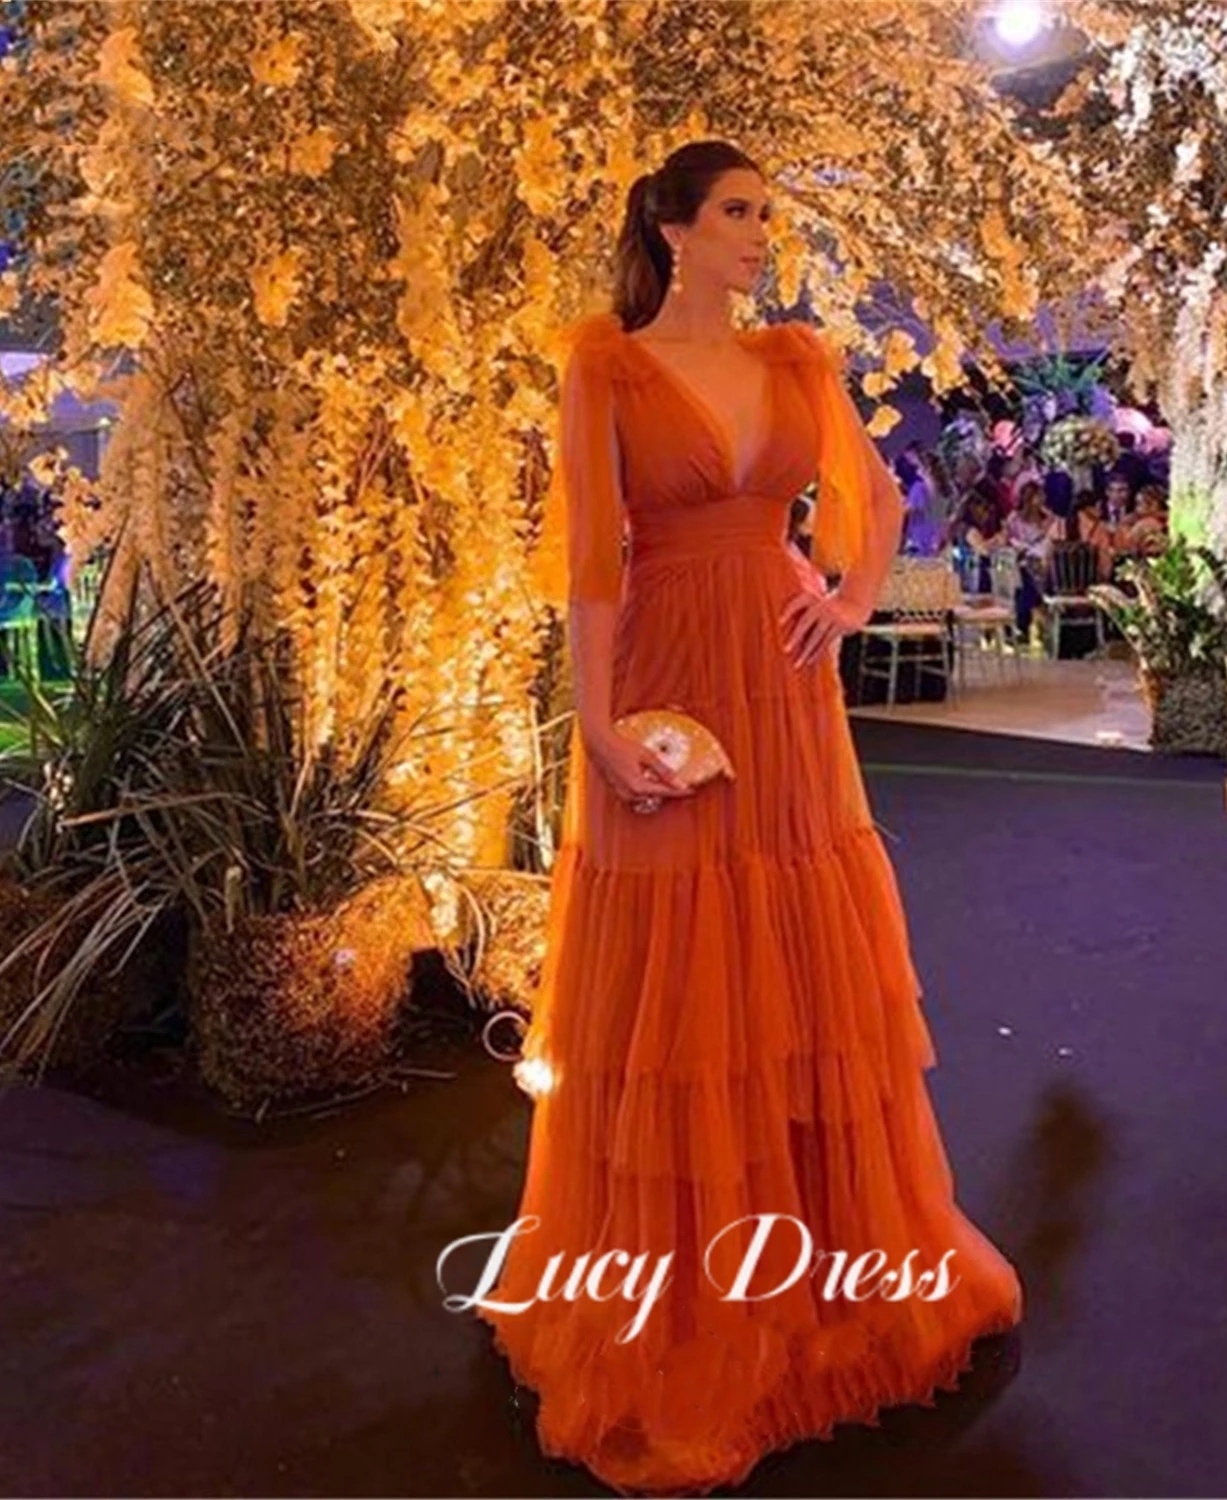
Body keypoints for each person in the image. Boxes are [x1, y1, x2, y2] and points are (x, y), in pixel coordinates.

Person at [477, 140, 1022, 1496]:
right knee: (673, 969)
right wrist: (596, 726)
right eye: (736, 211)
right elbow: (591, 563)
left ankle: (825, 1274)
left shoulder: (795, 361)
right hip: (667, 676)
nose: (759, 233)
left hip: (782, 692)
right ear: (671, 229)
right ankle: (681, 1304)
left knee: (793, 939)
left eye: (766, 213)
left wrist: (849, 600)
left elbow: (876, 497)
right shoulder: (606, 366)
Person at [1005, 480, 1064, 637]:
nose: (1041, 501)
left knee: (1034, 574)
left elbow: (1054, 540)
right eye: (1037, 497)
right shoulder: (1014, 519)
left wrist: (1049, 522)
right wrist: (1021, 548)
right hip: (1022, 562)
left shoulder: (1049, 519)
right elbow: (1009, 541)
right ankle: (1024, 621)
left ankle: (1028, 621)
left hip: (1045, 566)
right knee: (1025, 576)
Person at [1069, 489, 1115, 582]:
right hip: (1092, 581)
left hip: (1063, 584)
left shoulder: (1059, 526)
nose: (1101, 510)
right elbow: (1105, 566)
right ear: (1088, 508)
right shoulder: (1100, 528)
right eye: (1098, 506)